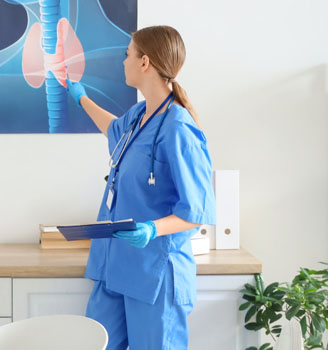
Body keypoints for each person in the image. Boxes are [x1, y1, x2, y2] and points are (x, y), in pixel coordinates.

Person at [66, 26, 216, 350]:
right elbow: (112, 128)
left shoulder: (179, 128)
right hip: (115, 265)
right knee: (95, 343)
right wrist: (81, 98)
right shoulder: (139, 116)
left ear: (144, 62)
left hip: (154, 274)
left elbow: (196, 211)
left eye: (128, 55)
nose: (124, 62)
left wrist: (152, 229)